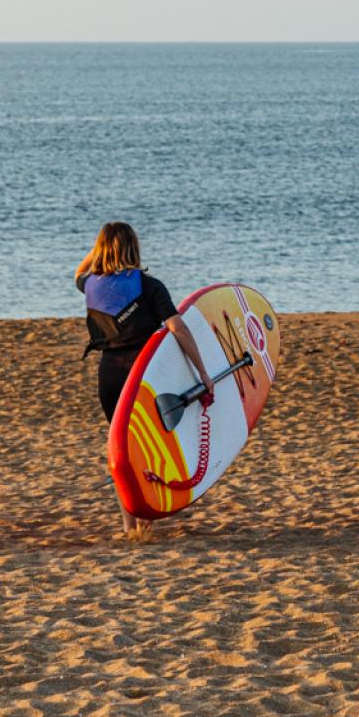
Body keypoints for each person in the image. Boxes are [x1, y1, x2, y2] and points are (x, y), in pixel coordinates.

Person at [77, 222, 214, 539]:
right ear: (134, 248)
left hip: (109, 376)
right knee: (148, 446)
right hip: (142, 377)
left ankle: (129, 526)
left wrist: (98, 253)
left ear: (101, 250)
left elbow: (76, 274)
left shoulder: (91, 285)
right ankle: (146, 517)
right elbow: (178, 329)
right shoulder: (150, 286)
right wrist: (202, 372)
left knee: (121, 451)